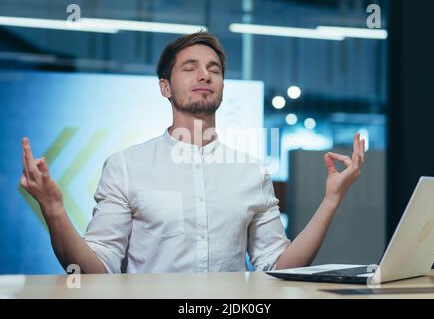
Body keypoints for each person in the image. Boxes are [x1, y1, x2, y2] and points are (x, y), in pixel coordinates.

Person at [20, 32, 365, 274]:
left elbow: (277, 265)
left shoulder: (251, 172)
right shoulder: (126, 166)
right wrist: (54, 210)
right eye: (190, 67)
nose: (204, 74)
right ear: (165, 87)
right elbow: (95, 269)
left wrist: (331, 200)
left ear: (223, 88)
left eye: (214, 69)